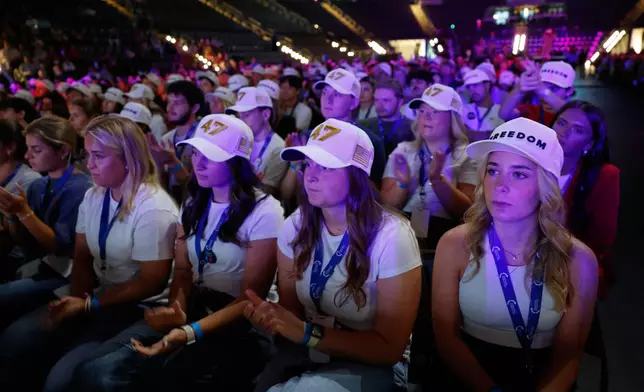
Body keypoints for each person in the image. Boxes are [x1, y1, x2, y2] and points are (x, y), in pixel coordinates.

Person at [75, 114, 284, 391]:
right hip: (196, 309)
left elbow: (250, 296)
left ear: (237, 161)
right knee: (94, 371)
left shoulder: (266, 212)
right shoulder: (195, 202)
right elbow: (184, 272)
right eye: (196, 152)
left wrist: (188, 331)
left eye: (211, 155)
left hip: (241, 323)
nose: (199, 161)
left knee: (137, 377)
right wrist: (177, 309)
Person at [0, 115, 178, 392]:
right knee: (16, 340)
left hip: (140, 308)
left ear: (128, 158)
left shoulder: (153, 208)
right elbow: (82, 257)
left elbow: (150, 282)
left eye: (99, 156)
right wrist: (76, 303)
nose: (89, 164)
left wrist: (87, 306)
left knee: (62, 380)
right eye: (88, 154)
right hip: (99, 297)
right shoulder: (95, 195)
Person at [246, 118, 422, 392]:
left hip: (377, 365)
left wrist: (308, 334)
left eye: (325, 167)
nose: (310, 176)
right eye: (308, 164)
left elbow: (389, 349)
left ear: (356, 175)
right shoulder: (296, 224)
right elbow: (292, 311)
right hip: (309, 351)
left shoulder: (392, 236)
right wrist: (273, 320)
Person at [432, 118, 598, 391]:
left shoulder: (579, 260)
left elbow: (569, 356)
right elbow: (446, 339)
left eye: (519, 174)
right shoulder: (454, 244)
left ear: (545, 186)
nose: (499, 186)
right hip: (466, 379)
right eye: (493, 170)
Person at [0, 116, 91, 327]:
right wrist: (12, 215)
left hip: (67, 275)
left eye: (36, 150)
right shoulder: (39, 185)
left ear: (63, 151)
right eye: (28, 148)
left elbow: (59, 246)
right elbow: (25, 243)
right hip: (42, 266)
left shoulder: (80, 189)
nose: (27, 155)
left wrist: (24, 213)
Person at [381, 84, 476, 249]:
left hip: (448, 240)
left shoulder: (467, 156)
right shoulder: (403, 150)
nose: (426, 117)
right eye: (422, 111)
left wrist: (437, 181)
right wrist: (402, 184)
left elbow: (467, 213)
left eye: (435, 111)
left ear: (452, 117)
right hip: (401, 236)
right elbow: (386, 207)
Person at [280, 69, 387, 203]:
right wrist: (295, 165)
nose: (327, 100)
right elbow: (286, 195)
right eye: (325, 93)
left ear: (353, 102)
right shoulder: (308, 137)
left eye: (337, 95)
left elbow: (373, 195)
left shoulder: (368, 142)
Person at [552, 101, 619, 296]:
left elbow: (602, 239)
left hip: (572, 273)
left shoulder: (605, 176)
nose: (564, 132)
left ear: (588, 144)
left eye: (578, 130)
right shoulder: (528, 165)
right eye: (561, 123)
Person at [0, 119, 42, 280]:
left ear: (10, 148)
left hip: (15, 258)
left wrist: (11, 216)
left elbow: (21, 239)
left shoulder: (29, 181)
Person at [225, 87, 287, 193]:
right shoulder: (238, 139)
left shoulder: (278, 148)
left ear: (265, 114)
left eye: (246, 115)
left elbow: (267, 192)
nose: (241, 121)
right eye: (239, 116)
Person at [157, 81, 205, 201]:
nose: (169, 108)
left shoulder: (203, 138)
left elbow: (198, 186)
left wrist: (173, 163)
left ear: (194, 108)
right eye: (168, 102)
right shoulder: (166, 138)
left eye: (177, 103)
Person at [499, 61, 575, 125]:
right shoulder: (531, 110)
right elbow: (504, 115)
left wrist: (543, 90)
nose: (543, 97)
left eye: (553, 88)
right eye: (543, 85)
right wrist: (519, 89)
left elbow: (571, 114)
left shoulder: (576, 112)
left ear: (569, 91)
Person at [358, 79, 415, 157]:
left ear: (400, 102)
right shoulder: (362, 126)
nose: (379, 105)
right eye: (377, 100)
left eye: (386, 100)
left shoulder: (414, 129)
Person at [461, 69, 505, 142]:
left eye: (475, 85)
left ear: (487, 85)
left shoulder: (501, 111)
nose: (472, 90)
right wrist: (492, 134)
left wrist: (473, 134)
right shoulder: (463, 109)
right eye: (468, 87)